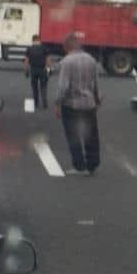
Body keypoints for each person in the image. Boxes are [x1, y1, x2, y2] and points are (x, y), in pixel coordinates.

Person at [55, 33, 102, 175]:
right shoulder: (91, 60)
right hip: (89, 104)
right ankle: (92, 164)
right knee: (91, 135)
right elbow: (96, 83)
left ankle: (79, 165)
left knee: (73, 135)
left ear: (66, 47)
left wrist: (58, 103)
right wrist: (97, 99)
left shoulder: (66, 62)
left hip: (72, 104)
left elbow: (63, 86)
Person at [23, 34, 50, 110]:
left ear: (33, 40)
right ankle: (44, 102)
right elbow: (48, 60)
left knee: (34, 87)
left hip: (33, 70)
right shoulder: (44, 48)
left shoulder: (29, 49)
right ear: (39, 40)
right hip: (42, 70)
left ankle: (36, 102)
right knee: (43, 86)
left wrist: (26, 71)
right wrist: (49, 70)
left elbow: (26, 61)